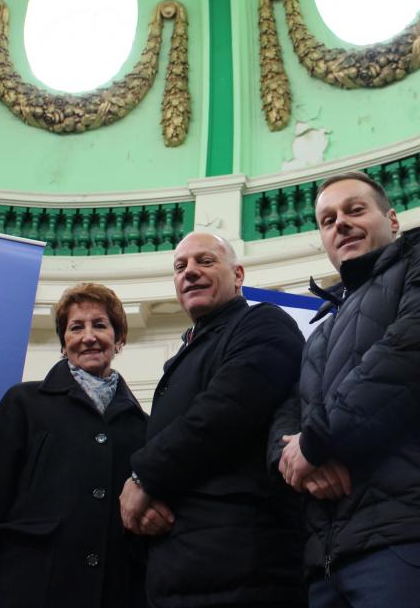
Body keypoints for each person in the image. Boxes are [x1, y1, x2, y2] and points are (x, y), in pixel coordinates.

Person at [273, 172, 420, 607]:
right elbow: (288, 413)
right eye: (327, 220)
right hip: (334, 559)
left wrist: (317, 441)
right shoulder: (322, 332)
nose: (340, 223)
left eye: (355, 210)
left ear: (393, 219)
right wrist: (299, 461)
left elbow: (417, 356)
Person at [120, 231, 307, 608]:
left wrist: (143, 478)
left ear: (238, 275)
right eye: (180, 266)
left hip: (243, 565)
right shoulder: (185, 355)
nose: (190, 272)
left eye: (205, 261)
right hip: (178, 568)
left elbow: (225, 412)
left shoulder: (264, 323)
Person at [0, 282, 148, 608]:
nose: (88, 336)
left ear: (119, 338)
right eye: (76, 327)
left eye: (100, 325)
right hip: (29, 586)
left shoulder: (141, 425)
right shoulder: (23, 403)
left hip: (113, 590)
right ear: (64, 343)